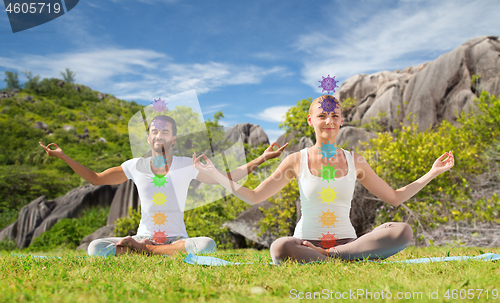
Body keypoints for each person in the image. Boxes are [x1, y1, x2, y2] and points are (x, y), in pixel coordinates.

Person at [193, 95, 455, 264]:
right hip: (305, 243)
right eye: (322, 115)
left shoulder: (356, 161)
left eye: (334, 115)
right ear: (311, 120)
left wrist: (432, 172)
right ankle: (338, 257)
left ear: (341, 121)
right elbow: (254, 196)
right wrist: (216, 174)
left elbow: (395, 197)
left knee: (402, 230)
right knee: (280, 247)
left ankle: (331, 256)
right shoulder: (295, 160)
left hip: (347, 242)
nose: (328, 120)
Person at [39, 115, 287, 257]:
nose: (159, 135)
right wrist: (63, 157)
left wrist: (261, 158)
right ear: (148, 138)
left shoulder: (186, 164)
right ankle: (147, 247)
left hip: (177, 239)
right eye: (154, 131)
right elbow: (96, 178)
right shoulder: (134, 165)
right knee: (95, 248)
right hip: (143, 235)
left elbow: (228, 177)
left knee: (206, 245)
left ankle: (145, 251)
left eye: (165, 131)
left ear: (173, 138)